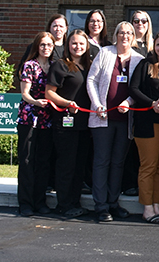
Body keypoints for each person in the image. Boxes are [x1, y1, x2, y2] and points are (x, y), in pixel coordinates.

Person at [86, 21, 144, 222]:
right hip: (103, 117)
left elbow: (139, 88)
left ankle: (113, 202)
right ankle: (101, 206)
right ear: (116, 34)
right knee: (102, 161)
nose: (125, 36)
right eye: (122, 32)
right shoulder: (105, 53)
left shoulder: (139, 59)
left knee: (118, 162)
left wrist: (128, 102)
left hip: (125, 120)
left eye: (129, 33)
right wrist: (97, 104)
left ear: (133, 36)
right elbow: (91, 80)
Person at [129, 31, 159, 224]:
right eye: (158, 45)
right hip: (147, 123)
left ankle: (156, 205)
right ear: (154, 46)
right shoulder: (146, 65)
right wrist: (152, 104)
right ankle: (147, 209)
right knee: (148, 167)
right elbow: (133, 89)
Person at [45, 29, 92, 218]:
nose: (77, 47)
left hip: (84, 123)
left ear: (87, 46)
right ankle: (63, 205)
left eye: (81, 43)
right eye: (74, 43)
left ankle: (75, 203)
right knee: (66, 164)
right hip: (65, 122)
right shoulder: (61, 65)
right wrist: (67, 103)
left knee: (79, 165)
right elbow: (49, 93)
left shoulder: (89, 66)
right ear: (68, 45)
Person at [16, 31, 55, 217]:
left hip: (47, 120)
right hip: (29, 118)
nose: (46, 48)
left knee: (43, 161)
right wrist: (37, 102)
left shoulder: (55, 66)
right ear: (36, 47)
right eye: (42, 45)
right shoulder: (29, 66)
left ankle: (40, 202)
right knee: (27, 160)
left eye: (49, 45)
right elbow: (25, 93)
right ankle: (25, 203)